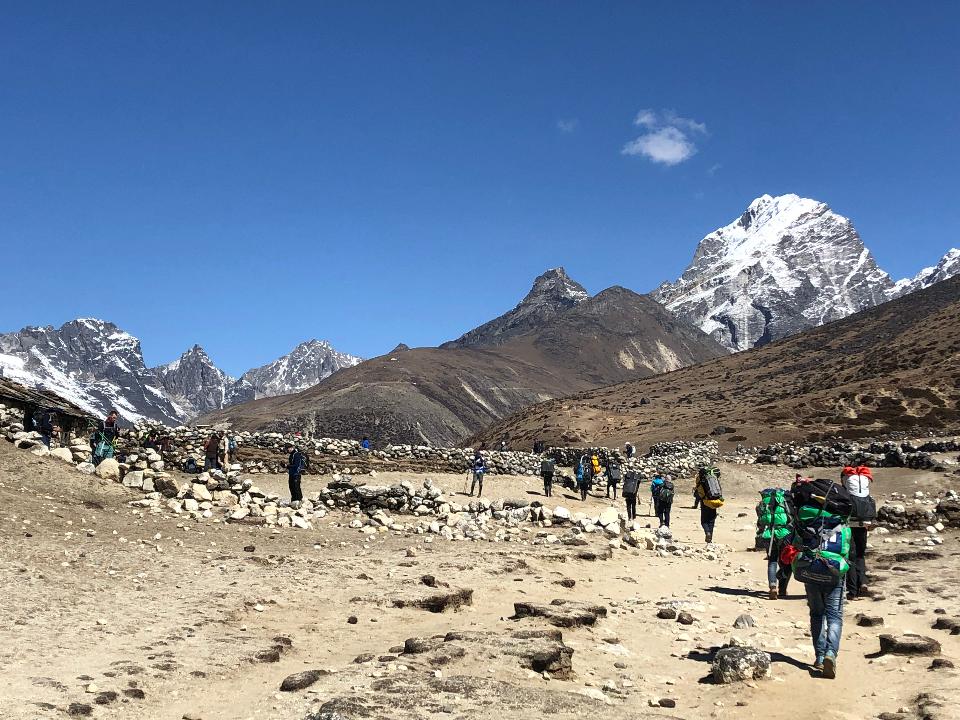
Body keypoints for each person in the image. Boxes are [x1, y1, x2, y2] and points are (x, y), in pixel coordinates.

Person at [842, 466, 875, 601]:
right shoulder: (865, 483)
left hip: (849, 526)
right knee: (860, 555)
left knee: (850, 557)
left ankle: (852, 591)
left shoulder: (846, 484)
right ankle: (863, 582)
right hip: (863, 524)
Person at [756, 487, 794, 599]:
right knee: (787, 561)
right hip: (784, 532)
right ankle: (782, 589)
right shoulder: (785, 501)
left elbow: (761, 521)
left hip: (769, 534)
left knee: (772, 560)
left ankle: (772, 586)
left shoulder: (763, 503)